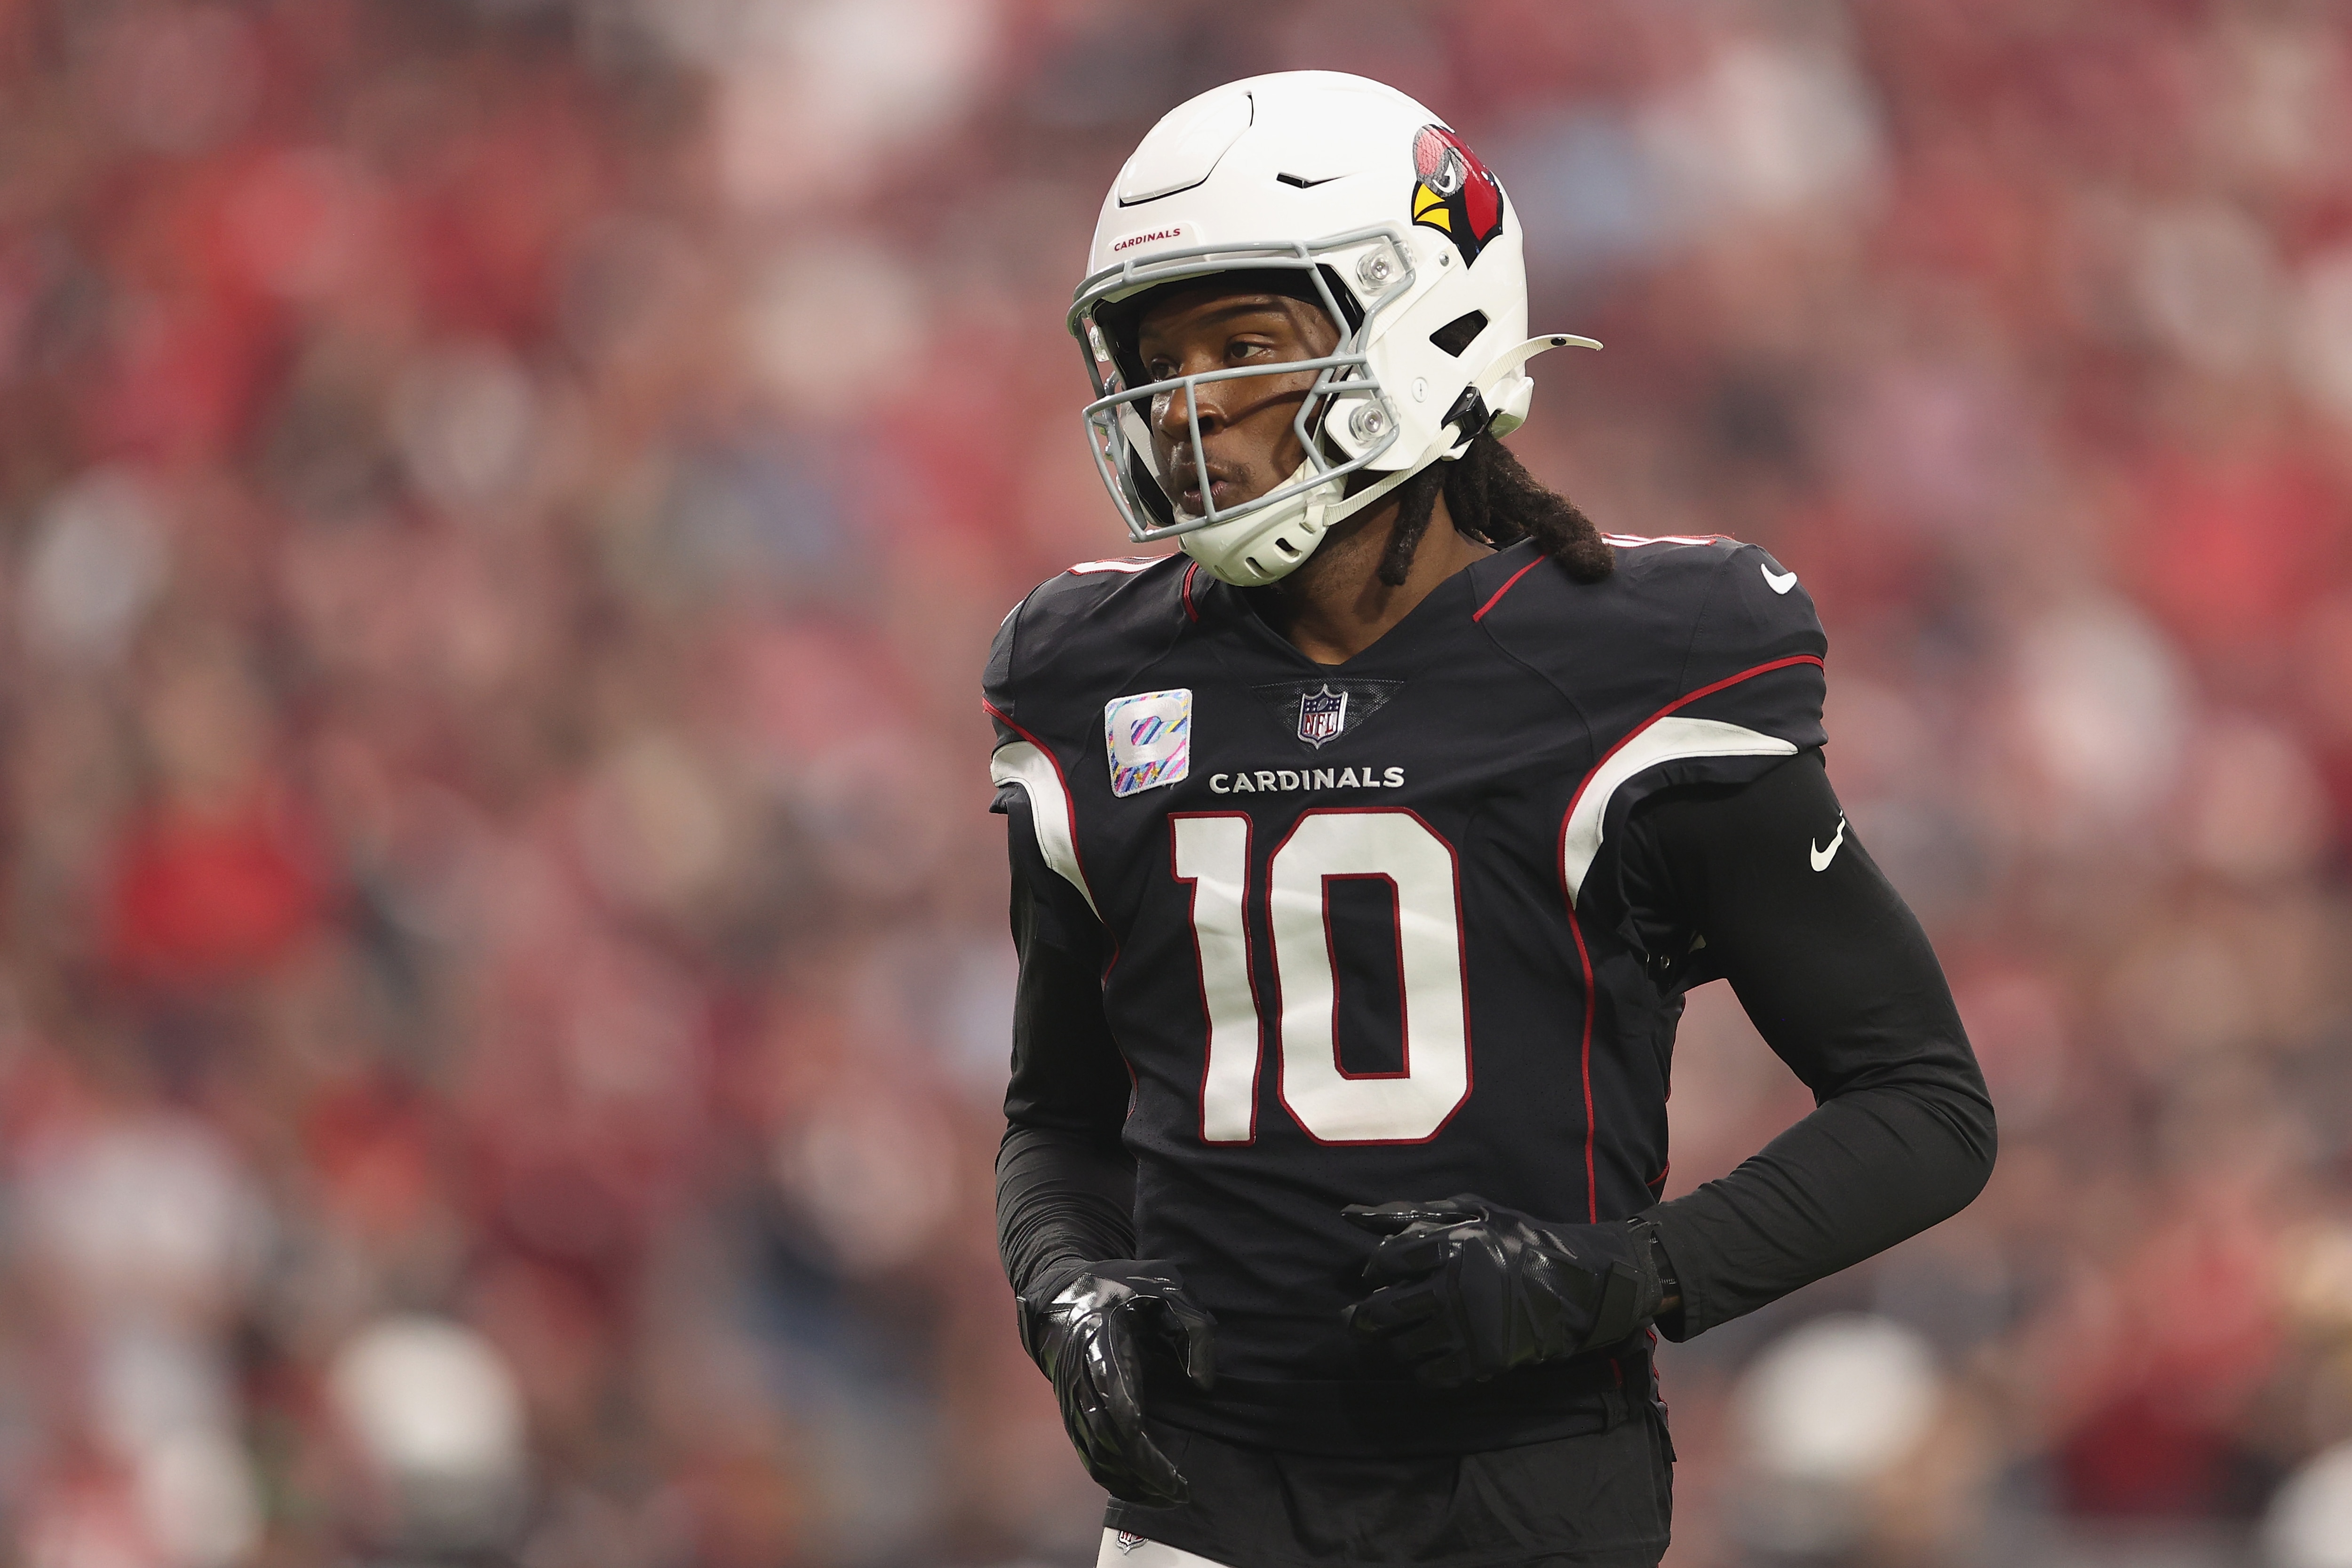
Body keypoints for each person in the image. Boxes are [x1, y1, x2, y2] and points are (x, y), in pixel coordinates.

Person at [987, 71, 1995, 1568]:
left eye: (1245, 348)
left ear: (1426, 325)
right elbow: (1059, 1122)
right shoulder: (1091, 672)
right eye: (1158, 359)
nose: (1185, 409)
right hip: (1209, 1501)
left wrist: (1614, 1277)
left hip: (1529, 1498)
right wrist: (1064, 1283)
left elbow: (1923, 1108)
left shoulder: (1646, 659)